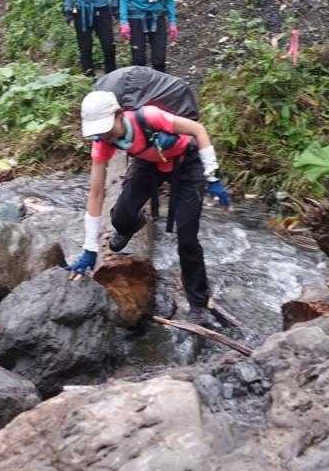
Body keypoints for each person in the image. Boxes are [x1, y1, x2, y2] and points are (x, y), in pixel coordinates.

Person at [65, 80, 231, 321]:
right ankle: (132, 225)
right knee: (121, 217)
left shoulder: (150, 116)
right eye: (99, 132)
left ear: (120, 115)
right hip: (149, 162)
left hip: (186, 163)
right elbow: (96, 193)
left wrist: (212, 175)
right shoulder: (103, 142)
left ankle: (198, 304)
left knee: (187, 238)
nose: (105, 136)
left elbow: (198, 130)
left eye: (107, 129)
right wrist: (90, 247)